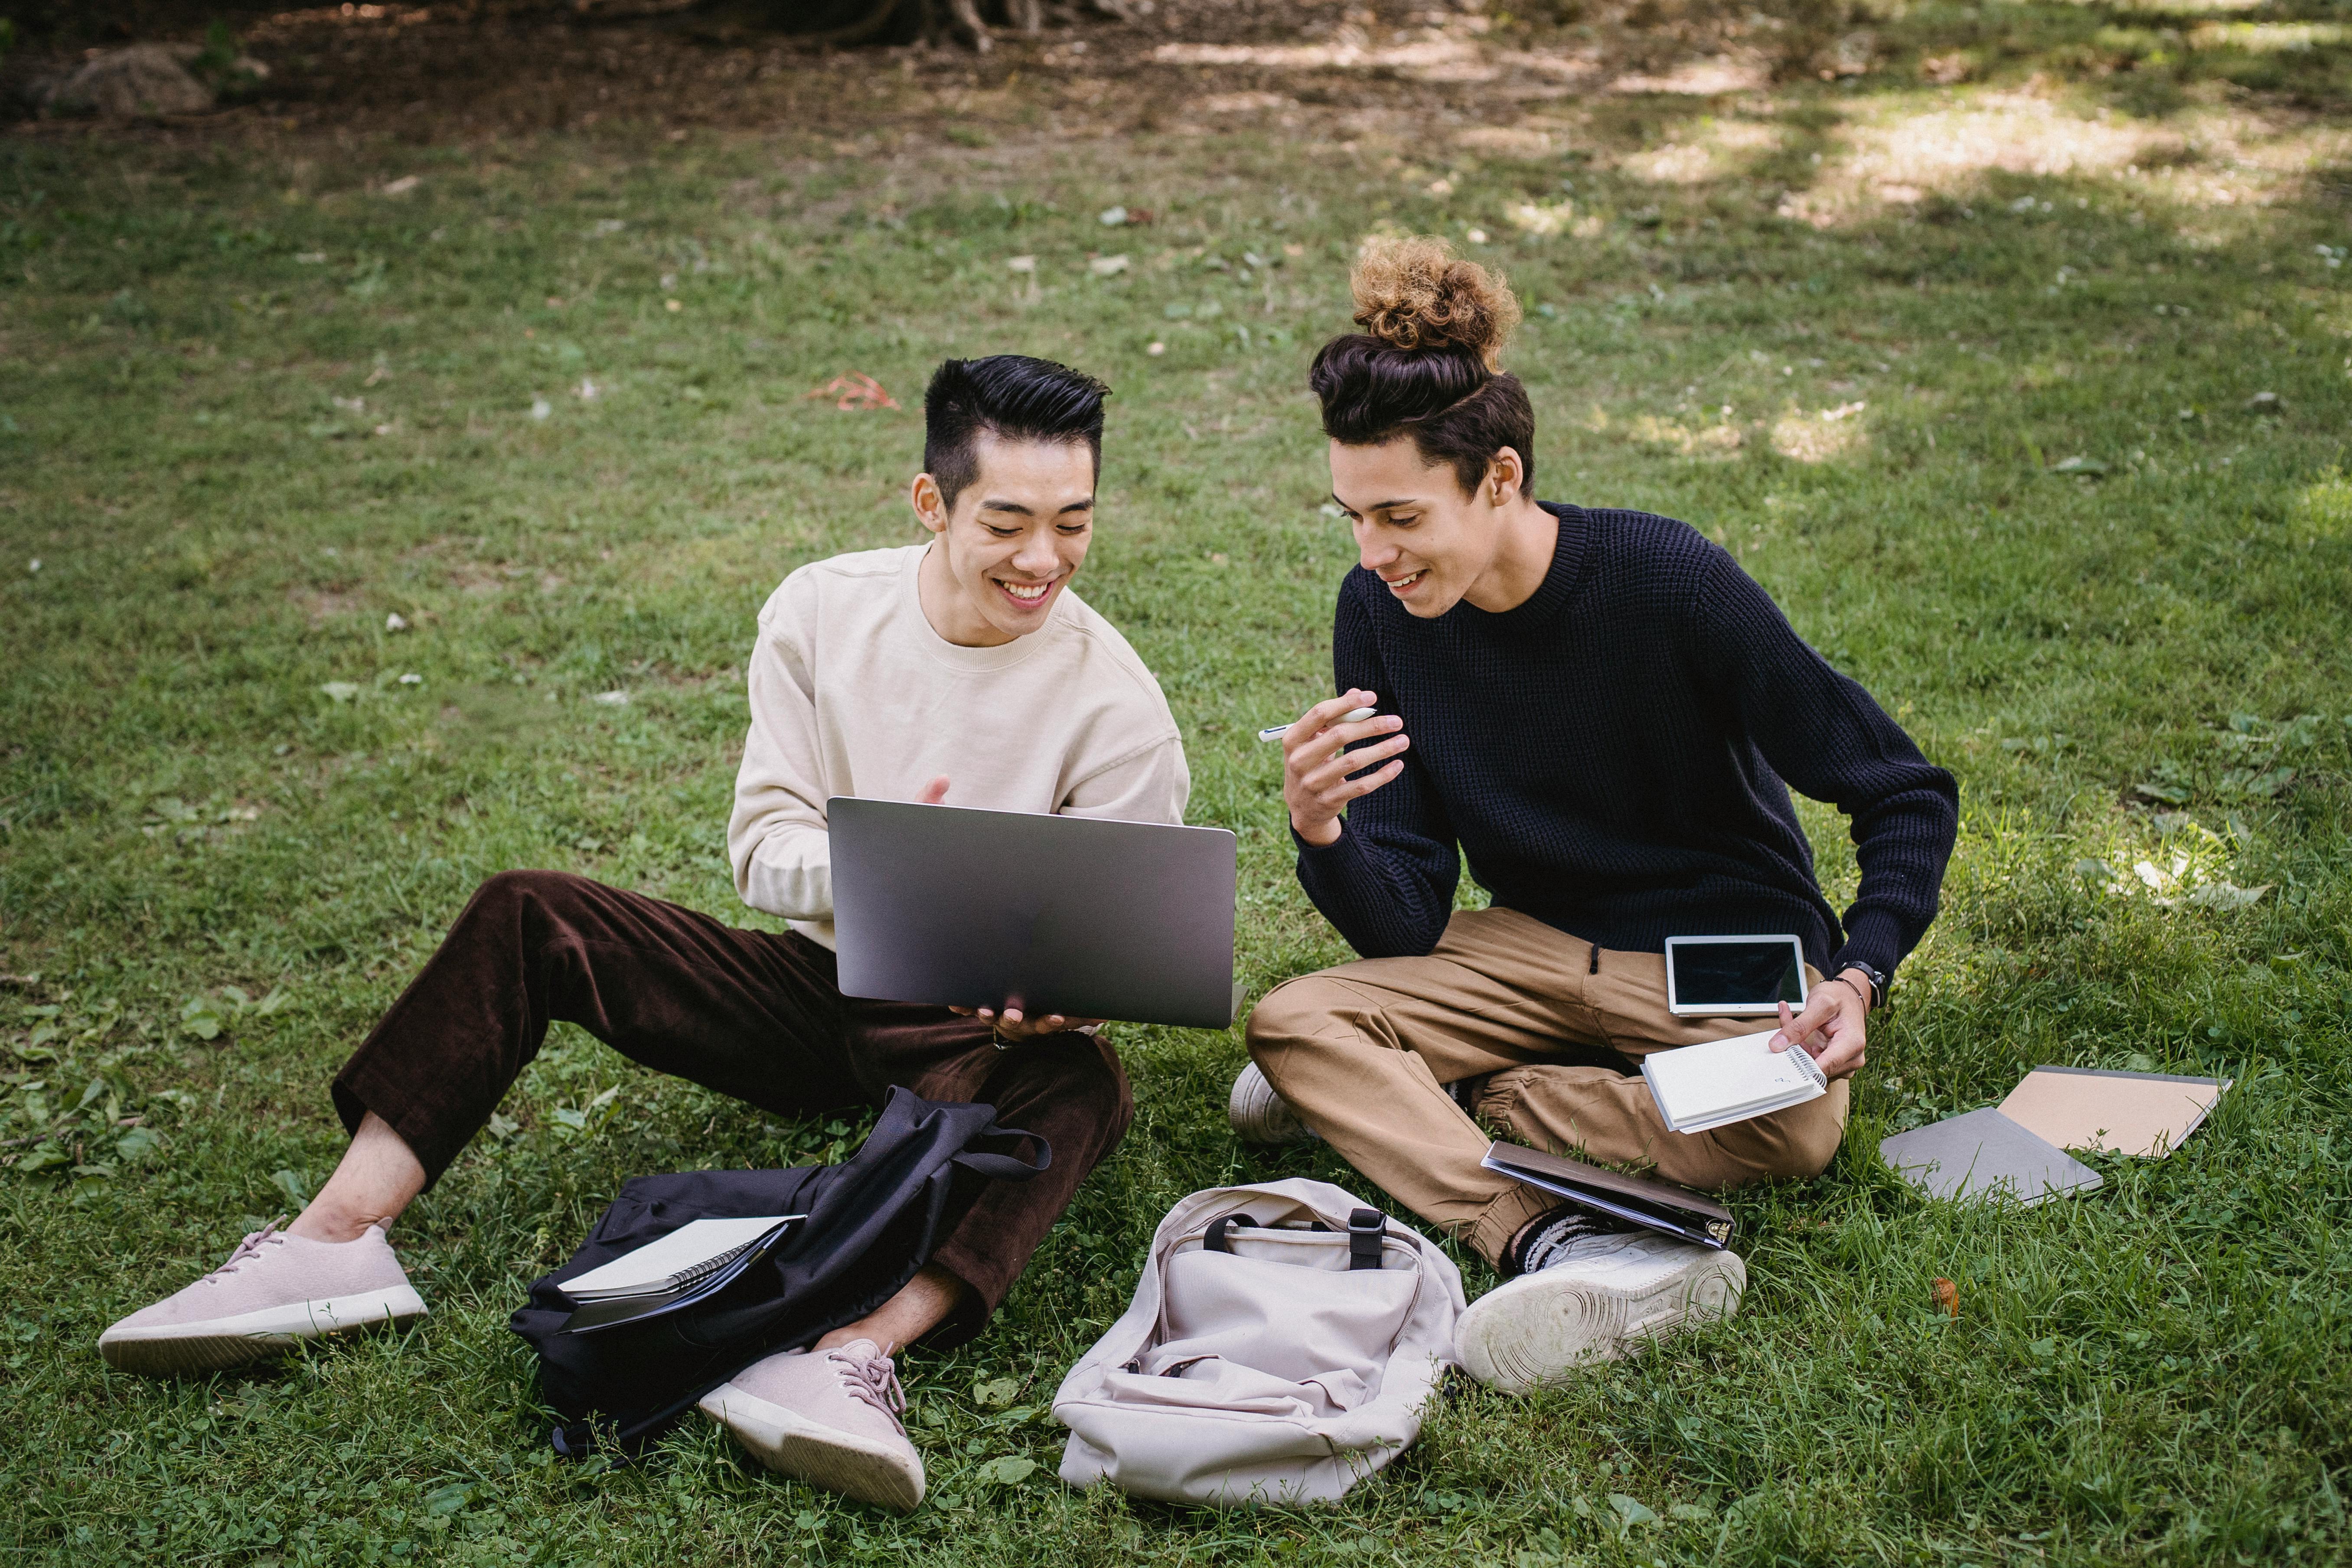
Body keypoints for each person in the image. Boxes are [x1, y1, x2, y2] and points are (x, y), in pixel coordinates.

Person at [100, 355, 1189, 1512]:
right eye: (1007, 521)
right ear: (931, 503)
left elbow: (1107, 944)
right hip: (815, 979)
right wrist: (893, 871)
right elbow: (762, 847)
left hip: (970, 1027)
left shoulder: (1116, 707)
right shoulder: (822, 612)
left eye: (1072, 523)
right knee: (532, 909)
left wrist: (1063, 993)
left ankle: (850, 1356)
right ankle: (334, 1239)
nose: (1042, 560)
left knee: (1084, 1080)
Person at [1233, 238, 1958, 1393]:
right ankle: (1542, 1232)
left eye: (1400, 517)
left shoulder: (1667, 579)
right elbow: (1406, 912)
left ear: (1500, 478)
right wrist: (1325, 832)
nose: (1373, 554)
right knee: (1292, 1023)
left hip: (1717, 953)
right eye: (1351, 519)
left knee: (1798, 1129)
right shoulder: (1375, 610)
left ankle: (1480, 1090)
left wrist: (1858, 974)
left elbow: (1900, 789)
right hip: (1527, 942)